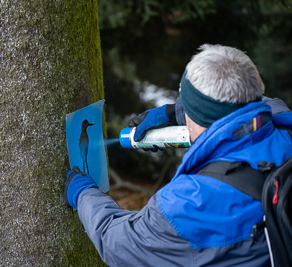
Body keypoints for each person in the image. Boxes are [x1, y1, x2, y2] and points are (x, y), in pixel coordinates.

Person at [63, 44, 292, 266]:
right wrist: (175, 113)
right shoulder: (285, 127)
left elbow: (117, 242)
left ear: (197, 113)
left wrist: (84, 194)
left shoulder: (190, 202)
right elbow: (264, 104)